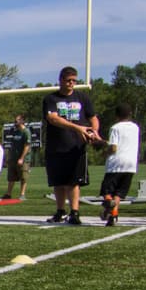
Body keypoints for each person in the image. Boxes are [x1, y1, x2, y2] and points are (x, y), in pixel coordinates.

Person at [42, 66, 99, 225]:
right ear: (60, 80)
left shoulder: (82, 97)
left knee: (73, 182)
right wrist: (78, 127)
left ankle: (74, 212)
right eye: (68, 80)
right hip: (56, 146)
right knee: (57, 181)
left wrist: (94, 131)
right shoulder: (51, 99)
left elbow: (93, 117)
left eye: (74, 80)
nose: (71, 84)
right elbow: (53, 119)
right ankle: (60, 211)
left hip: (76, 146)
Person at [98, 104, 139, 227]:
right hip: (131, 163)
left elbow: (114, 147)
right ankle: (113, 214)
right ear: (130, 114)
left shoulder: (115, 127)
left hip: (116, 163)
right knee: (119, 193)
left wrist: (104, 153)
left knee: (107, 190)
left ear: (116, 115)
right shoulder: (135, 127)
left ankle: (108, 202)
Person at [3, 114, 31, 200]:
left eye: (17, 120)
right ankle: (8, 193)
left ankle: (22, 194)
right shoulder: (15, 131)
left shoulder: (26, 132)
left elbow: (27, 146)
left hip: (23, 159)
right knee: (11, 177)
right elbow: (12, 145)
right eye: (15, 121)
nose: (15, 122)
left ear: (22, 121)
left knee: (23, 176)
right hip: (13, 159)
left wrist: (22, 158)